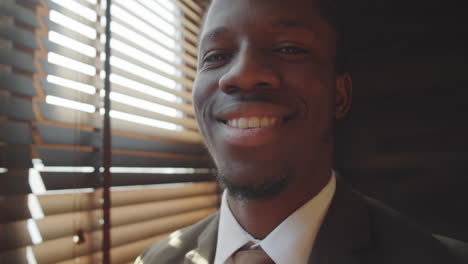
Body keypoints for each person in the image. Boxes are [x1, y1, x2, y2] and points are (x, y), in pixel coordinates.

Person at [136, 0, 468, 263]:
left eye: (288, 49)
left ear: (339, 96)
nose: (243, 74)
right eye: (217, 55)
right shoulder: (154, 260)